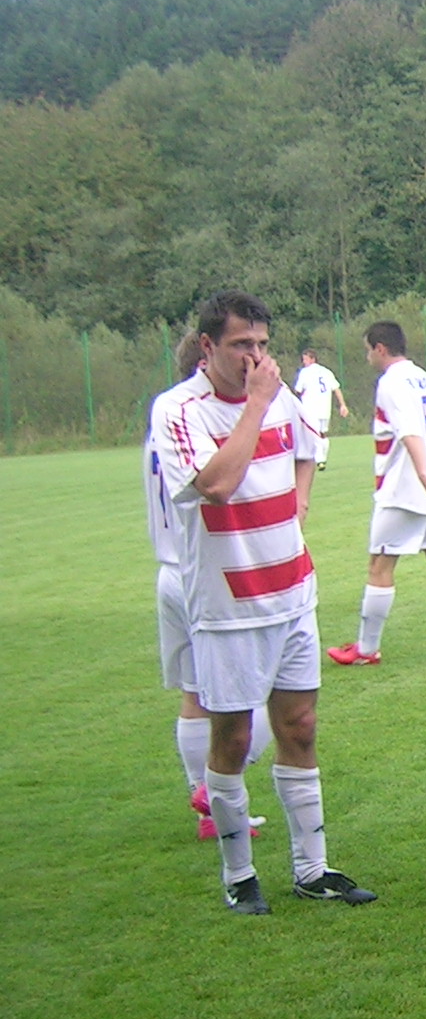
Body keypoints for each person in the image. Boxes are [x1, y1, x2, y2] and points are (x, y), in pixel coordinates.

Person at [151, 289, 374, 914]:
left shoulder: (283, 399)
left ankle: (312, 868)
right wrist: (254, 404)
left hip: (293, 591)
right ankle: (239, 874)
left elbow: (308, 449)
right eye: (240, 344)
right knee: (232, 736)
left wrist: (298, 503)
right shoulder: (179, 409)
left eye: (262, 344)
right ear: (207, 346)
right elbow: (217, 485)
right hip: (227, 605)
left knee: (300, 728)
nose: (255, 356)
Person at [147, 329, 270, 840]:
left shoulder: (162, 427)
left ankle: (206, 807)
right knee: (256, 694)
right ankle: (214, 788)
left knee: (196, 693)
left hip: (169, 571)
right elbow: (218, 484)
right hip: (207, 573)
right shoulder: (199, 424)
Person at [328, 321, 426, 666]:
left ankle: (366, 650)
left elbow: (409, 429)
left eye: (368, 350)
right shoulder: (423, 377)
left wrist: (421, 473)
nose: (368, 357)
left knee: (379, 565)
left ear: (380, 348)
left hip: (405, 487)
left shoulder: (391, 382)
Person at [293, 347, 350, 474]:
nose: (304, 362)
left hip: (310, 408)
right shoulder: (326, 371)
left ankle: (319, 460)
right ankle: (322, 459)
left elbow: (298, 390)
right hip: (325, 408)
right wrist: (343, 405)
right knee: (322, 433)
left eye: (305, 359)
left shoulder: (305, 372)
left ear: (312, 359)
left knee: (313, 434)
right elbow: (336, 389)